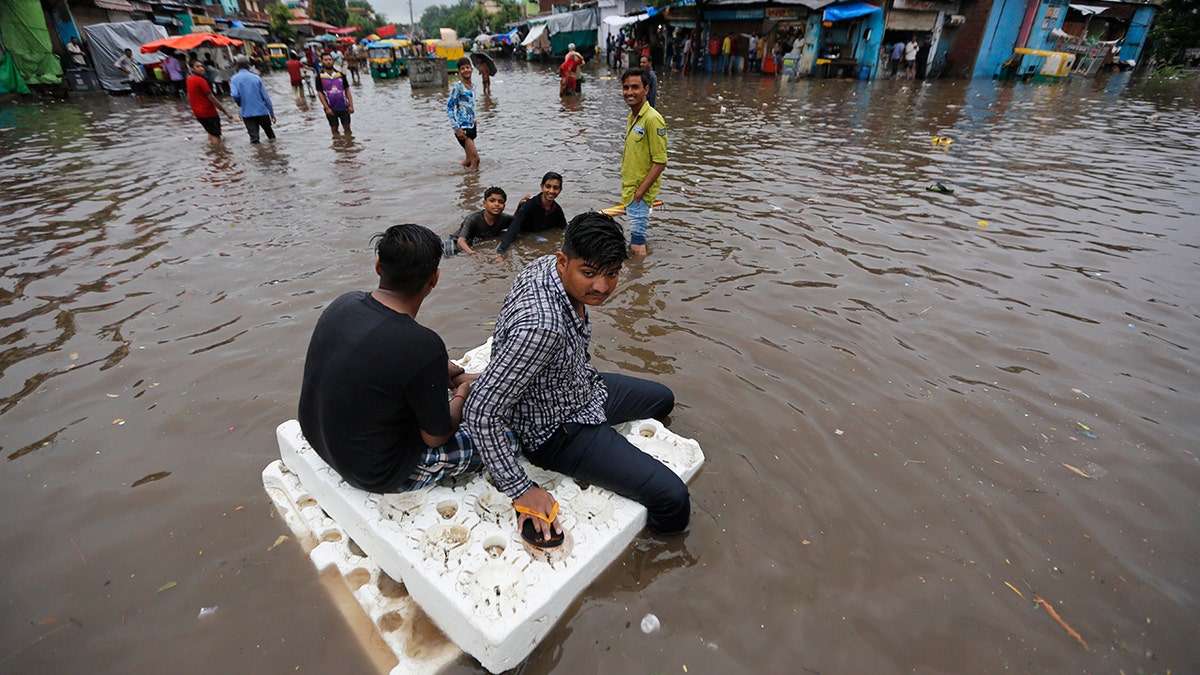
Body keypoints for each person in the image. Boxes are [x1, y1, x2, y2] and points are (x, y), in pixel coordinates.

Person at [464, 212, 690, 544]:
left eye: (612, 274)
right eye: (589, 274)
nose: (602, 287)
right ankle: (655, 558)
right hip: (556, 429)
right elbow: (481, 411)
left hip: (580, 386)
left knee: (662, 399)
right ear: (562, 262)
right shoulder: (543, 328)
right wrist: (521, 489)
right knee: (673, 499)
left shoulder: (546, 266)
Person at [299, 224, 508, 493]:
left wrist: (445, 371)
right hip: (375, 472)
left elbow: (391, 358)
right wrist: (462, 393)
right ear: (434, 278)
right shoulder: (422, 343)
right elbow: (437, 438)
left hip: (321, 442)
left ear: (378, 266)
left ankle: (468, 379)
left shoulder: (344, 303)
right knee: (507, 437)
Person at [620, 68, 666, 257]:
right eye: (625, 87)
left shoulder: (653, 119)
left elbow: (660, 161)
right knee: (636, 241)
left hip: (640, 194)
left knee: (637, 247)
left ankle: (640, 282)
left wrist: (639, 194)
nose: (629, 92)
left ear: (646, 89)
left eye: (635, 87)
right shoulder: (632, 118)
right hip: (630, 191)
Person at [497, 172, 566, 255]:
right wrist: (501, 251)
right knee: (545, 242)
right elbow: (514, 227)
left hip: (540, 235)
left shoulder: (556, 209)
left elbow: (563, 228)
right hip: (525, 235)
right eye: (548, 186)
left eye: (555, 188)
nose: (551, 191)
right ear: (542, 187)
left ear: (560, 190)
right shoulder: (530, 205)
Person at [447, 186, 514, 258]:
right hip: (456, 241)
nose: (496, 204)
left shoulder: (505, 218)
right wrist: (473, 254)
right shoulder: (473, 218)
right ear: (484, 203)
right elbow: (461, 241)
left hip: (478, 240)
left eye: (500, 202)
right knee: (449, 253)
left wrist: (520, 206)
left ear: (504, 206)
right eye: (492, 201)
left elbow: (516, 223)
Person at [229, 55, 276, 144]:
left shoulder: (234, 79)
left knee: (254, 139)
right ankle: (273, 153)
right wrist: (272, 113)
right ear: (248, 66)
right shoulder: (256, 77)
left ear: (237, 66)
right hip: (262, 111)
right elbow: (265, 97)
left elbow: (234, 95)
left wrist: (239, 102)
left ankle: (258, 155)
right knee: (270, 135)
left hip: (247, 113)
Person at [186, 59, 232, 145]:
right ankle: (219, 154)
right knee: (216, 135)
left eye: (201, 66)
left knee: (210, 132)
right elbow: (212, 98)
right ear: (192, 69)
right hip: (208, 112)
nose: (201, 68)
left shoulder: (189, 80)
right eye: (197, 67)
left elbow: (189, 97)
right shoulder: (201, 81)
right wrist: (226, 112)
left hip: (198, 113)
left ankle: (212, 154)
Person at [446, 57, 478, 169]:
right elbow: (449, 108)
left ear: (472, 69)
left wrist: (474, 120)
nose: (466, 70)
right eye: (463, 68)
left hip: (471, 125)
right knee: (476, 160)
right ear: (459, 71)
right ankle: (473, 185)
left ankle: (451, 173)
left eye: (467, 67)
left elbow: (470, 105)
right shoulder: (458, 87)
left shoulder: (473, 87)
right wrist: (456, 128)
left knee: (469, 160)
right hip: (462, 128)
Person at [316, 52, 354, 135]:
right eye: (326, 60)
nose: (328, 62)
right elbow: (320, 93)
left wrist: (351, 105)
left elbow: (347, 89)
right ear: (322, 61)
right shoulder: (320, 77)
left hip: (343, 106)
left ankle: (348, 144)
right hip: (331, 108)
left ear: (333, 61)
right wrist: (326, 107)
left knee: (347, 129)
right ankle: (337, 145)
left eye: (330, 60)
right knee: (334, 129)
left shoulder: (340, 75)